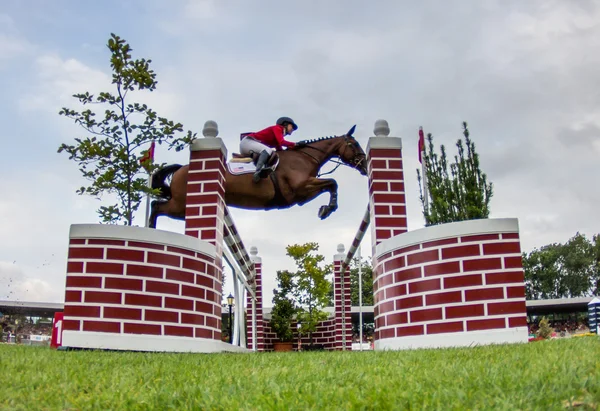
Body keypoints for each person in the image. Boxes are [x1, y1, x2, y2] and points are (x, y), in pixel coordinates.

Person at [240, 117, 298, 183]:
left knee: (269, 152)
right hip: (247, 142)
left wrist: (292, 149)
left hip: (249, 146)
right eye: (292, 126)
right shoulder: (277, 128)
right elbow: (282, 142)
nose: (293, 129)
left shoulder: (278, 135)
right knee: (268, 151)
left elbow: (280, 150)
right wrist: (295, 144)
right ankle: (258, 172)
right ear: (285, 124)